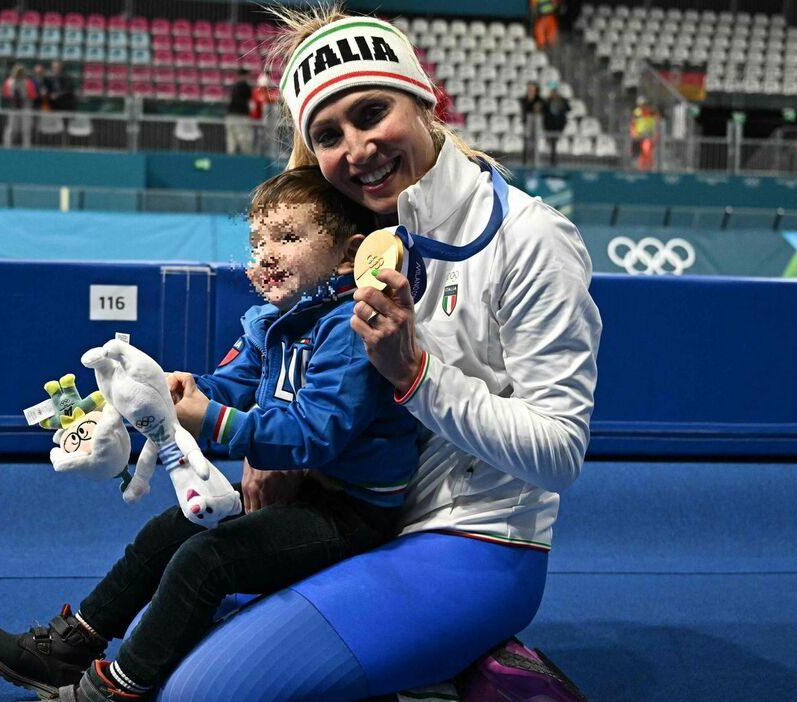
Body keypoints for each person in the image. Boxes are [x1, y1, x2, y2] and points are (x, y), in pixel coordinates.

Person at [152, 7, 600, 699]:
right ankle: (445, 667)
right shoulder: (348, 235)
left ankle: (459, 658)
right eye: (329, 134)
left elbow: (560, 453)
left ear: (425, 99)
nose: (357, 148)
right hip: (358, 522)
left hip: (472, 542)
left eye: (371, 113)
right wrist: (267, 449)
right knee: (177, 625)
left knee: (202, 694)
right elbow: (287, 378)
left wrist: (416, 376)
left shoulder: (532, 238)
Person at [0, 165, 422, 701]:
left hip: (351, 512)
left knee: (206, 561)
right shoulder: (270, 321)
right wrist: (170, 390)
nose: (266, 255)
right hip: (303, 493)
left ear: (348, 254)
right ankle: (72, 645)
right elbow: (226, 386)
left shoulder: (351, 332)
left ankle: (117, 690)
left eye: (288, 238)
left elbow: (314, 436)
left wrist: (212, 418)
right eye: (258, 242)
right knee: (168, 531)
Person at [1, 64, 37, 148]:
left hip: (25, 108)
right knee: (11, 129)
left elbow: (33, 95)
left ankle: (26, 147)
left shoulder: (28, 82)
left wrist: (25, 92)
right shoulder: (9, 82)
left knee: (26, 129)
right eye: (17, 71)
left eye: (20, 72)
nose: (19, 73)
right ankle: (7, 147)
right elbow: (5, 94)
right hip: (13, 108)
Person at [225, 68, 253, 154]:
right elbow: (250, 101)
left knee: (231, 140)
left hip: (230, 116)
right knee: (244, 139)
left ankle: (230, 159)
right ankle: (246, 159)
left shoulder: (235, 86)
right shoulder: (245, 86)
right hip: (240, 117)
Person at [543, 81, 570, 167]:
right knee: (551, 144)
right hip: (549, 126)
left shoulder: (562, 100)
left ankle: (553, 161)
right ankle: (551, 161)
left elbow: (568, 108)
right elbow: (544, 112)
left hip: (558, 126)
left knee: (554, 144)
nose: (553, 93)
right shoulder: (547, 101)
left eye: (554, 91)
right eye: (552, 91)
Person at [519, 81, 545, 165]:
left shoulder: (539, 99)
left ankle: (534, 160)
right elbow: (526, 109)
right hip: (527, 123)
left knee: (535, 143)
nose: (531, 91)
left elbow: (541, 109)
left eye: (532, 89)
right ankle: (525, 160)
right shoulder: (524, 99)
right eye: (529, 89)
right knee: (527, 143)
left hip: (536, 124)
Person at [629, 95, 657, 171]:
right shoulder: (636, 112)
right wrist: (634, 134)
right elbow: (633, 124)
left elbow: (654, 124)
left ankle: (648, 167)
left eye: (644, 104)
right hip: (638, 136)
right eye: (640, 104)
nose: (642, 106)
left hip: (648, 136)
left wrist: (654, 135)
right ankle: (640, 168)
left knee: (646, 150)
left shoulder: (651, 113)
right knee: (637, 153)